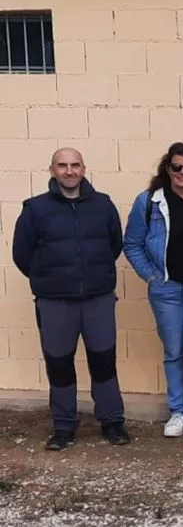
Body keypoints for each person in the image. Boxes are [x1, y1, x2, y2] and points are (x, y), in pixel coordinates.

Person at [12, 148, 129, 450]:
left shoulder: (102, 205)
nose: (69, 171)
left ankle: (112, 422)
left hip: (97, 299)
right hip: (55, 302)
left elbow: (114, 245)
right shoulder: (35, 209)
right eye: (62, 166)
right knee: (59, 364)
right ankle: (64, 426)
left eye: (75, 165)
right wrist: (50, 281)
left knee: (104, 362)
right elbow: (22, 255)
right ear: (52, 170)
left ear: (83, 169)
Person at [123, 142, 183, 439]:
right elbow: (132, 244)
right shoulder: (149, 201)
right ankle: (178, 411)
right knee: (174, 352)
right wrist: (151, 277)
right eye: (176, 167)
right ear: (167, 168)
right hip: (165, 290)